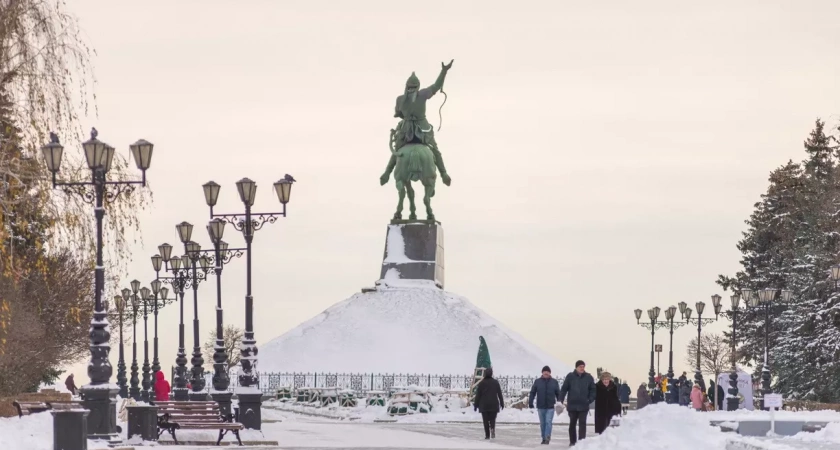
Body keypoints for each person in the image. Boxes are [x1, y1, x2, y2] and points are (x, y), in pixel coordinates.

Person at [380, 61, 454, 188]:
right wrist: (444, 71)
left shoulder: (400, 99)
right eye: (412, 87)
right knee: (435, 150)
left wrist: (405, 115)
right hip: (422, 129)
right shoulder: (422, 94)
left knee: (397, 151)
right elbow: (436, 86)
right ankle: (444, 174)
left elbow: (398, 114)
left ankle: (386, 173)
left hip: (407, 130)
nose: (412, 89)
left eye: (412, 87)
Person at [559, 360, 596, 447]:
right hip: (572, 405)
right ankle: (572, 441)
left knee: (582, 424)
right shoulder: (570, 376)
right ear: (576, 367)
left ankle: (581, 442)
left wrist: (590, 399)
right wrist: (560, 399)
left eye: (583, 366)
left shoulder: (588, 377)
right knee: (572, 424)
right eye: (580, 366)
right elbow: (564, 389)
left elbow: (593, 389)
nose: (582, 368)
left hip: (584, 405)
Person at [529, 365, 561, 445]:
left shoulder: (554, 382)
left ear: (550, 373)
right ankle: (543, 438)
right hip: (541, 406)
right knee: (542, 423)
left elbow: (558, 393)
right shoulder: (537, 381)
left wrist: (559, 402)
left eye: (547, 371)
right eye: (544, 371)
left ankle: (547, 437)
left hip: (550, 406)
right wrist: (531, 402)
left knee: (548, 422)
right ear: (542, 373)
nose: (546, 373)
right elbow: (533, 392)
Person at [473, 367, 504, 440]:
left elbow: (478, 395)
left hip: (484, 405)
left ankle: (487, 435)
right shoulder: (495, 382)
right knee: (493, 419)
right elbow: (499, 394)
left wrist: (476, 405)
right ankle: (492, 428)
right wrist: (502, 403)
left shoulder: (481, 383)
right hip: (494, 404)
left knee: (485, 420)